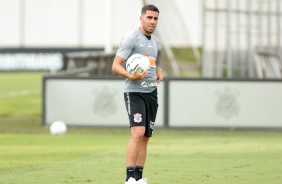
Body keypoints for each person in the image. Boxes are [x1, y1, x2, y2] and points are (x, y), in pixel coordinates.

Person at [112, 4, 163, 184]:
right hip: (134, 92)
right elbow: (116, 65)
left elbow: (150, 62)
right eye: (149, 18)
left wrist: (157, 69)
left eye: (155, 18)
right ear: (141, 18)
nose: (152, 22)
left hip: (151, 92)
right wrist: (129, 75)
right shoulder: (131, 38)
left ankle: (139, 179)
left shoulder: (155, 42)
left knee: (146, 136)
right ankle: (129, 179)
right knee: (138, 133)